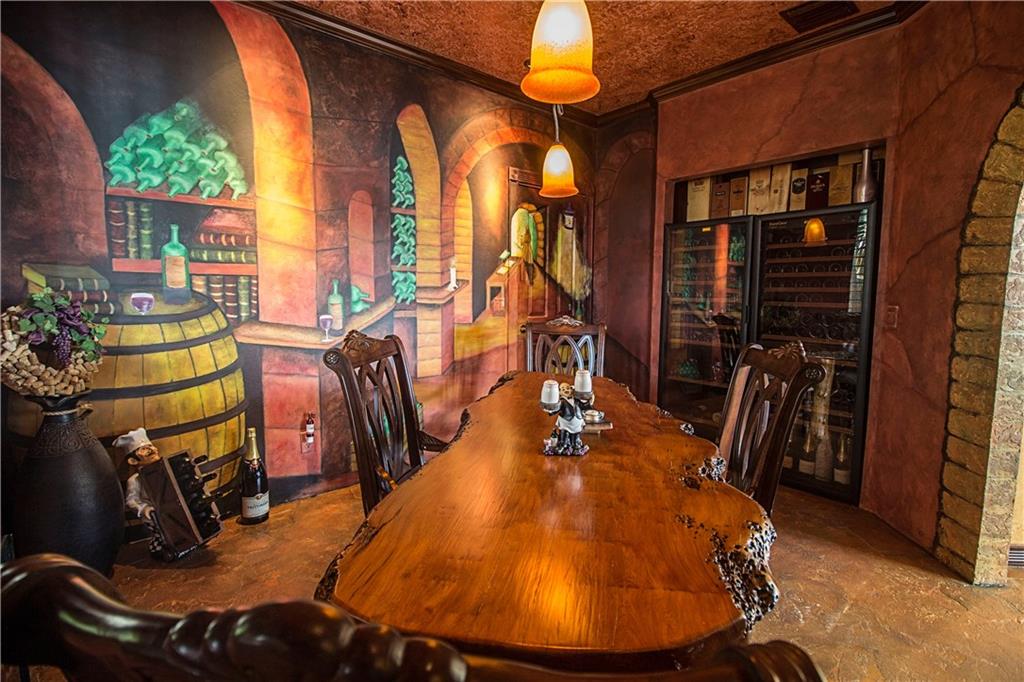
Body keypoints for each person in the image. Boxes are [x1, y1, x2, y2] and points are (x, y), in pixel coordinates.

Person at [114, 428, 170, 559]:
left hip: (168, 509)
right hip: (152, 514)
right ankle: (158, 548)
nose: (152, 450)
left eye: (151, 446)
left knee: (173, 527)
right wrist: (144, 509)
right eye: (144, 449)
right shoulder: (135, 480)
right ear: (133, 461)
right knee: (160, 531)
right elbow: (131, 500)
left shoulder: (163, 472)